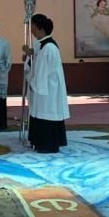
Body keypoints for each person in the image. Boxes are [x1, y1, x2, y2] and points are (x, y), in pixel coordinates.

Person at [24, 14, 69, 153]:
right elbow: (35, 55)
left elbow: (41, 72)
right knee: (43, 114)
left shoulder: (48, 48)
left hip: (47, 88)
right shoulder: (43, 44)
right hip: (47, 87)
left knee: (45, 114)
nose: (31, 31)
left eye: (34, 28)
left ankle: (47, 144)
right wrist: (29, 55)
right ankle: (42, 142)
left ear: (42, 30)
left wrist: (32, 82)